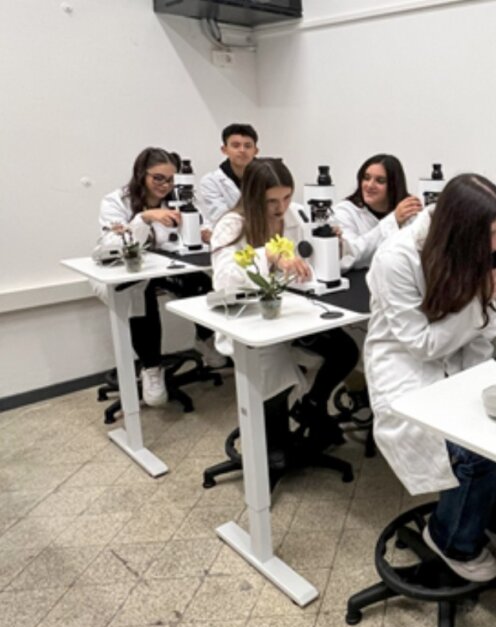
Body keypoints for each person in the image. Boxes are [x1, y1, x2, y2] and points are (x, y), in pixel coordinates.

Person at [364, 173, 496, 582]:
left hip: (456, 367)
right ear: (464, 229)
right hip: (405, 373)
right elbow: (422, 345)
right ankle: (450, 539)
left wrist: (482, 387)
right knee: (473, 454)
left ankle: (478, 518)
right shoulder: (396, 258)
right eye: (493, 235)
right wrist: (481, 299)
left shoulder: (466, 244)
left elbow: (482, 330)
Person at [211, 158, 358, 445]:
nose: (281, 208)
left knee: (345, 351)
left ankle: (312, 405)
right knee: (272, 374)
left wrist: (333, 243)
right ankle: (276, 448)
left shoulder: (296, 215)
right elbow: (225, 278)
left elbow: (313, 260)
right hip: (252, 320)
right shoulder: (232, 225)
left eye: (287, 197)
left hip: (294, 314)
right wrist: (268, 254)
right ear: (253, 197)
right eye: (271, 201)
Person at [95, 147, 218, 406]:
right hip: (125, 271)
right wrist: (144, 218)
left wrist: (205, 232)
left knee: (202, 285)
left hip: (162, 266)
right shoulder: (116, 201)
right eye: (158, 178)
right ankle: (151, 368)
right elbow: (115, 243)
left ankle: (205, 338)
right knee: (143, 300)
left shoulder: (178, 197)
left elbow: (202, 224)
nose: (165, 185)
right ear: (141, 174)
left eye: (171, 179)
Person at [334, 154, 423, 272]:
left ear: (393, 186)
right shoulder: (345, 211)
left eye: (380, 181)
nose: (370, 185)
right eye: (366, 178)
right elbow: (351, 255)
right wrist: (393, 221)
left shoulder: (408, 210)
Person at [200, 123, 260, 238]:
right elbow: (223, 218)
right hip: (228, 237)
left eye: (248, 146)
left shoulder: (267, 178)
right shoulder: (211, 181)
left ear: (256, 151)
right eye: (236, 145)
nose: (242, 150)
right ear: (224, 150)